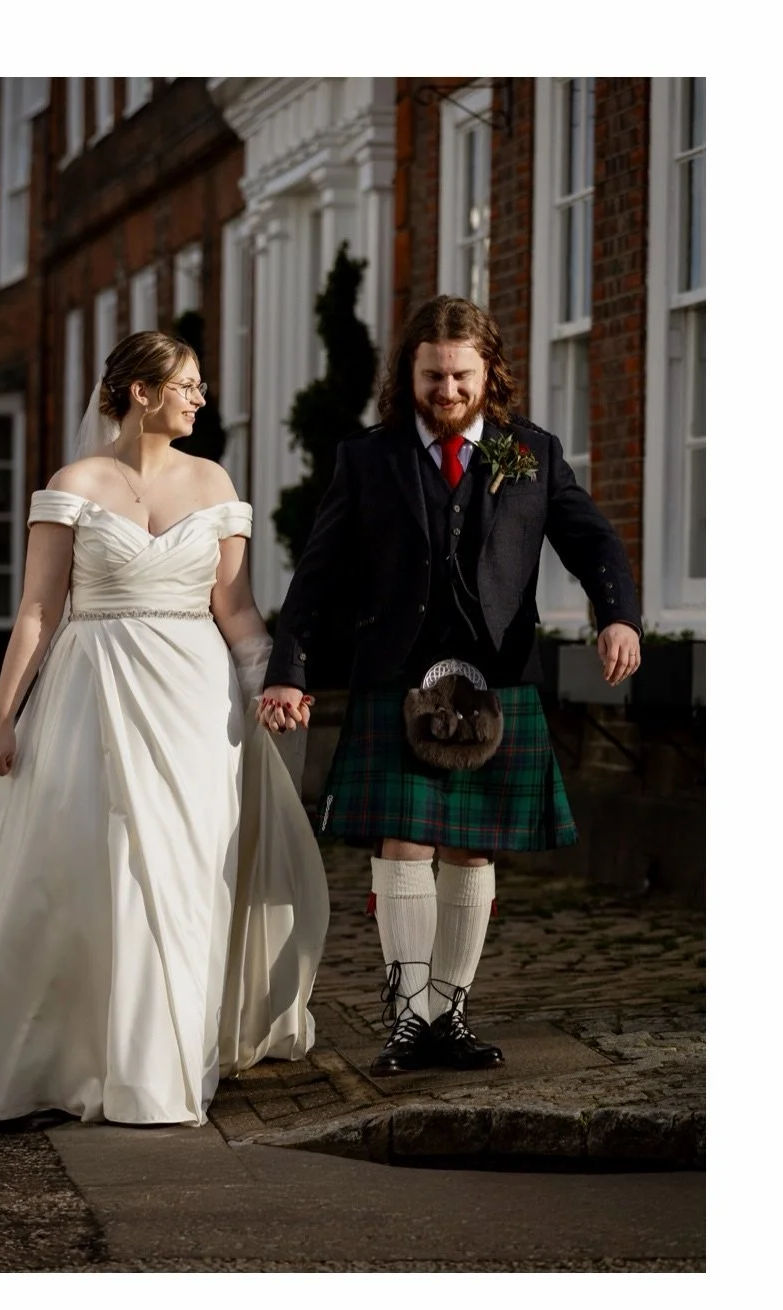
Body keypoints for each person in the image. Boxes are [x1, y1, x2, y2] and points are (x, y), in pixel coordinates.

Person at [0, 331, 329, 1131]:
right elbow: (39, 611)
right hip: (93, 693)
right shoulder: (75, 483)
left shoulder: (214, 480)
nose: (200, 398)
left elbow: (236, 609)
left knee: (188, 870)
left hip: (197, 703)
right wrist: (3, 716)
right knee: (99, 864)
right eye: (187, 384)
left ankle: (163, 1063)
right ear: (140, 393)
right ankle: (89, 1053)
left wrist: (275, 683)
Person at [258, 295, 641, 1076]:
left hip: (497, 678)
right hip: (397, 673)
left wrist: (618, 616)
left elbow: (591, 537)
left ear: (489, 371)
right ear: (410, 372)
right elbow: (320, 571)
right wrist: (289, 669)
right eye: (432, 375)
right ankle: (406, 1018)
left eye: (462, 375)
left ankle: (448, 1017)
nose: (447, 390)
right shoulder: (369, 458)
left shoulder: (530, 452)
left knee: (473, 848)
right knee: (405, 839)